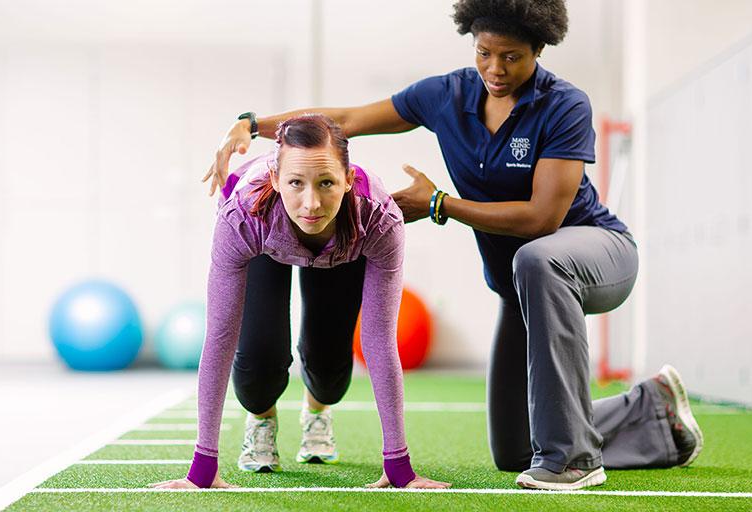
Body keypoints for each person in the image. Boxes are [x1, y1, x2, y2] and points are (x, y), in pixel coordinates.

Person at [201, 0, 703, 491]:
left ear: (540, 49)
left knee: (537, 259)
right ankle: (654, 414)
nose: (496, 68)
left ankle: (573, 461)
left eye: (512, 56)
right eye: (484, 52)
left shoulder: (565, 105)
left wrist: (440, 203)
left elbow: (542, 218)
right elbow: (346, 121)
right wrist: (252, 124)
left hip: (593, 253)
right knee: (515, 449)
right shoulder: (448, 95)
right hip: (522, 285)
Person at [150, 114, 450, 490]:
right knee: (257, 368)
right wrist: (203, 468)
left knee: (329, 375)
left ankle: (317, 410)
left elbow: (378, 339)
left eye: (326, 183)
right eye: (295, 183)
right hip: (266, 238)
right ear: (276, 179)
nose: (311, 203)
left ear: (348, 181)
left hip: (342, 246)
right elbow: (220, 337)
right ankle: (261, 419)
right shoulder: (243, 215)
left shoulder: (377, 220)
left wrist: (399, 466)